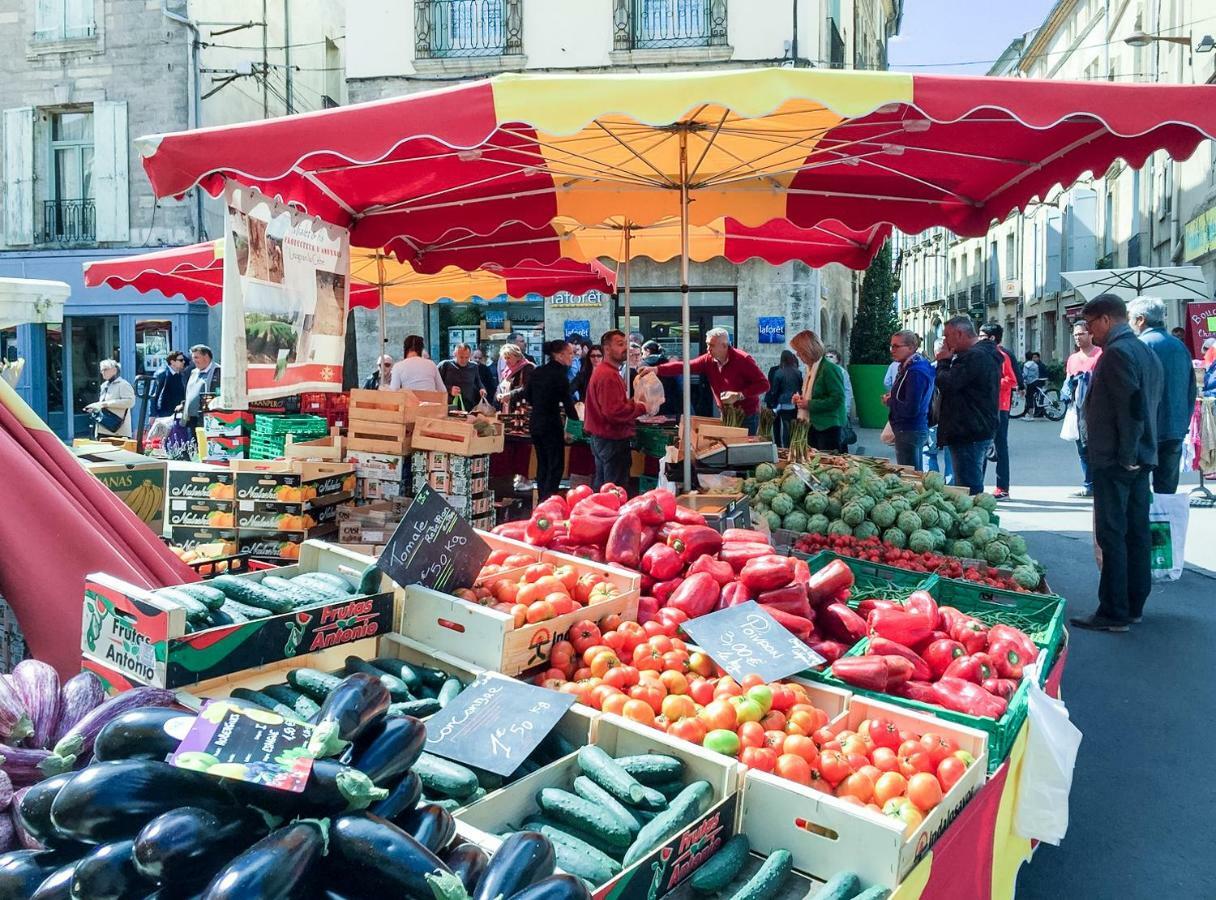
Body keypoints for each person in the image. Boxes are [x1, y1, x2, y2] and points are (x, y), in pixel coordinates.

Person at [1070, 294, 1163, 633]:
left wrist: (1125, 457)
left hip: (1119, 460)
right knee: (1136, 531)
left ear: (1106, 320)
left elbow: (1130, 410)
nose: (1089, 333)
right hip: (1140, 456)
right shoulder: (1145, 350)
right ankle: (1134, 604)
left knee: (1113, 533)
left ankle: (1114, 610)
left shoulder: (1117, 354)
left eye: (1091, 324)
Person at [1129, 296, 1198, 495]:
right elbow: (1191, 389)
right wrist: (1182, 421)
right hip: (1174, 429)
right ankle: (1163, 526)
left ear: (1141, 319)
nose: (1130, 324)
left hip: (1145, 431)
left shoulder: (1139, 346)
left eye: (1131, 319)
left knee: (1139, 491)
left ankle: (1144, 526)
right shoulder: (1179, 346)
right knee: (1166, 492)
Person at [649, 328, 769, 435]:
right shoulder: (708, 359)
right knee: (728, 451)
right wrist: (657, 369)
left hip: (747, 416)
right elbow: (685, 366)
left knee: (743, 453)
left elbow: (764, 385)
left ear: (724, 346)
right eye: (707, 344)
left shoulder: (743, 360)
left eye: (711, 345)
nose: (708, 349)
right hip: (725, 414)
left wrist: (739, 395)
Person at [934, 316, 1000, 495]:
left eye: (947, 336)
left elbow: (948, 384)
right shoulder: (983, 353)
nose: (945, 341)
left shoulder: (974, 356)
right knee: (970, 483)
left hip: (968, 431)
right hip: (975, 429)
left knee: (968, 489)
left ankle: (977, 520)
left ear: (959, 334)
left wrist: (943, 361)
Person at [584, 330, 647, 490]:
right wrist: (641, 407)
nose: (625, 348)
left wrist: (632, 403)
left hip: (604, 438)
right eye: (620, 344)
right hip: (611, 439)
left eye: (625, 343)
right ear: (606, 349)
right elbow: (613, 412)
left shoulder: (606, 372)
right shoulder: (607, 375)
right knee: (613, 491)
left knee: (604, 487)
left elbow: (613, 406)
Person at [524, 339, 579, 500]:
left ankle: (542, 498)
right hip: (551, 423)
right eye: (569, 353)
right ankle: (549, 499)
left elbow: (528, 396)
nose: (572, 357)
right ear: (559, 355)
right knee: (555, 465)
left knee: (543, 464)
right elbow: (568, 403)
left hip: (535, 422)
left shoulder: (538, 371)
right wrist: (577, 422)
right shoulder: (560, 375)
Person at [1061, 320, 1102, 498]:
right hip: (1077, 409)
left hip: (1097, 409)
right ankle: (1088, 483)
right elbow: (1068, 381)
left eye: (1081, 333)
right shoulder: (1072, 359)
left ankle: (1100, 484)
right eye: (1075, 334)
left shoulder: (1100, 355)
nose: (1078, 337)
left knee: (1097, 448)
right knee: (1082, 449)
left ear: (1091, 334)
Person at [978, 323, 1019, 499]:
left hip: (1000, 407)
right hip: (984, 407)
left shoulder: (1001, 355)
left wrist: (991, 382)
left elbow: (1011, 380)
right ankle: (977, 486)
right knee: (981, 447)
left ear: (992, 338)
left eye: (982, 335)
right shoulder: (979, 354)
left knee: (1000, 447)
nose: (979, 339)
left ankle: (1002, 487)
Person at [788, 330, 846, 451]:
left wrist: (808, 404)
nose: (797, 355)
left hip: (827, 427)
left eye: (799, 351)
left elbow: (837, 399)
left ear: (808, 350)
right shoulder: (811, 369)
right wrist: (800, 400)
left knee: (826, 463)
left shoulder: (829, 369)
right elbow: (814, 395)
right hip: (811, 425)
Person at [884, 330, 934, 470]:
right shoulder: (911, 367)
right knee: (914, 471)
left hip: (909, 429)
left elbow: (911, 408)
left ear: (911, 347)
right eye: (891, 346)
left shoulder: (915, 371)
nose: (892, 350)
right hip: (912, 428)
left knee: (910, 474)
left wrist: (890, 401)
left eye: (896, 346)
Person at [922, 338, 954, 484]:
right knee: (951, 456)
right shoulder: (958, 369)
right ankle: (951, 489)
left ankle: (933, 486)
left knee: (929, 453)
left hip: (932, 419)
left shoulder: (928, 369)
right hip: (951, 420)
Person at [86, 359, 136, 438]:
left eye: (105, 369)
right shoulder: (104, 385)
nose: (102, 372)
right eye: (101, 370)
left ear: (114, 370)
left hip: (118, 431)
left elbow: (130, 402)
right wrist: (95, 408)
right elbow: (102, 404)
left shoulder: (123, 384)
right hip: (103, 427)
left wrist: (106, 404)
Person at [765, 350, 803, 449]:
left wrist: (773, 403)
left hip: (782, 403)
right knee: (790, 427)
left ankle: (783, 448)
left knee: (783, 426)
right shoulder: (798, 372)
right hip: (794, 403)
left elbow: (774, 390)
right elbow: (800, 388)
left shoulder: (779, 372)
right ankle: (791, 446)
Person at [439, 342, 490, 410]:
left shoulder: (474, 366)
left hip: (468, 406)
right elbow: (436, 384)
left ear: (470, 356)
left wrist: (482, 389)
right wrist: (449, 389)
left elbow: (478, 381)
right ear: (454, 354)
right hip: (449, 406)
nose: (464, 360)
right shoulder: (445, 365)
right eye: (461, 357)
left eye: (467, 357)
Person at [183, 344, 220, 429]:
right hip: (192, 418)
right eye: (193, 358)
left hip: (207, 418)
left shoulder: (217, 371)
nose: (194, 361)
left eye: (196, 357)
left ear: (206, 357)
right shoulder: (194, 372)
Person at [641, 340, 681, 416]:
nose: (642, 356)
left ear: (647, 351)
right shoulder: (667, 363)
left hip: (652, 400)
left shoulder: (644, 364)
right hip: (670, 400)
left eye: (642, 353)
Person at [495, 343, 535, 412]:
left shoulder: (527, 367)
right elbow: (501, 385)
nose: (506, 361)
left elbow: (527, 387)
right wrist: (499, 394)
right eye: (505, 358)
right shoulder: (507, 370)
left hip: (521, 410)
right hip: (507, 409)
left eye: (509, 358)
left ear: (518, 357)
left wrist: (510, 394)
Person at [150, 351, 188, 419]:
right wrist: (152, 414)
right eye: (181, 360)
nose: (183, 362)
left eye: (184, 360)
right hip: (164, 413)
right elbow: (153, 395)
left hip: (179, 412)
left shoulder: (182, 375)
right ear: (172, 362)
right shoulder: (162, 374)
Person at [1023, 351, 1046, 417]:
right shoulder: (1036, 365)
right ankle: (1034, 412)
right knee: (1033, 396)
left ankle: (1030, 415)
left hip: (1030, 382)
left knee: (1029, 397)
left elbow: (1025, 374)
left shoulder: (1026, 365)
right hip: (1036, 381)